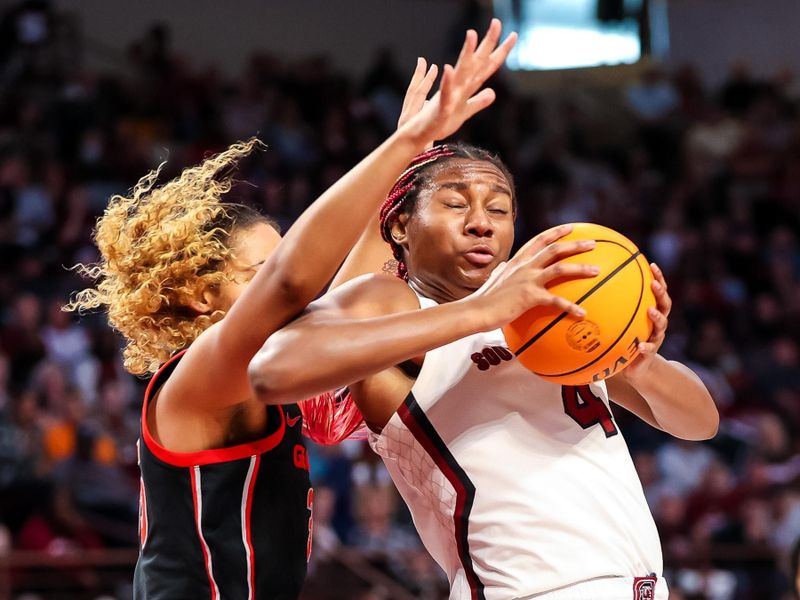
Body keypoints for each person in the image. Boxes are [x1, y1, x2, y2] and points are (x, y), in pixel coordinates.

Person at [65, 20, 517, 600]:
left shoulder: (267, 378)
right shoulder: (196, 379)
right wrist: (400, 145)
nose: (292, 294)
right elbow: (290, 285)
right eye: (257, 276)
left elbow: (351, 290)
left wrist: (411, 164)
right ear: (204, 296)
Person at [249, 141, 720, 599]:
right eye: (456, 204)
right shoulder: (394, 301)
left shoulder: (546, 309)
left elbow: (701, 423)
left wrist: (639, 364)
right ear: (399, 227)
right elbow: (275, 368)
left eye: (499, 210)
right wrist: (482, 311)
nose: (481, 224)